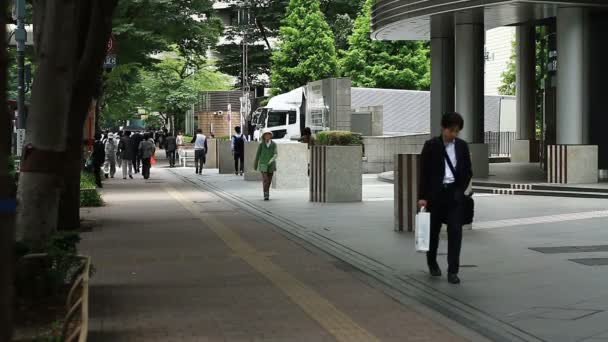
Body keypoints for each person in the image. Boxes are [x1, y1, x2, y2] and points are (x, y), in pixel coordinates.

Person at [418, 112, 472, 285]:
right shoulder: (431, 145)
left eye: (457, 131)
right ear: (443, 127)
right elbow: (424, 173)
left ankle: (453, 271)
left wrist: (460, 190)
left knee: (455, 231)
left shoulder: (462, 146)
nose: (454, 134)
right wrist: (422, 197)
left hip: (454, 195)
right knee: (433, 232)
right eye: (452, 130)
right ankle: (432, 262)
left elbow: (468, 171)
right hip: (435, 195)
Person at [254, 129, 278, 201]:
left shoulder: (274, 144)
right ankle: (266, 194)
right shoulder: (261, 144)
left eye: (268, 135)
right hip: (263, 164)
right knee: (266, 180)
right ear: (263, 136)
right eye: (265, 135)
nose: (267, 136)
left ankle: (266, 192)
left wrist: (272, 160)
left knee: (269, 181)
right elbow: (257, 155)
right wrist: (255, 165)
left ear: (270, 136)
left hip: (271, 165)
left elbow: (276, 154)